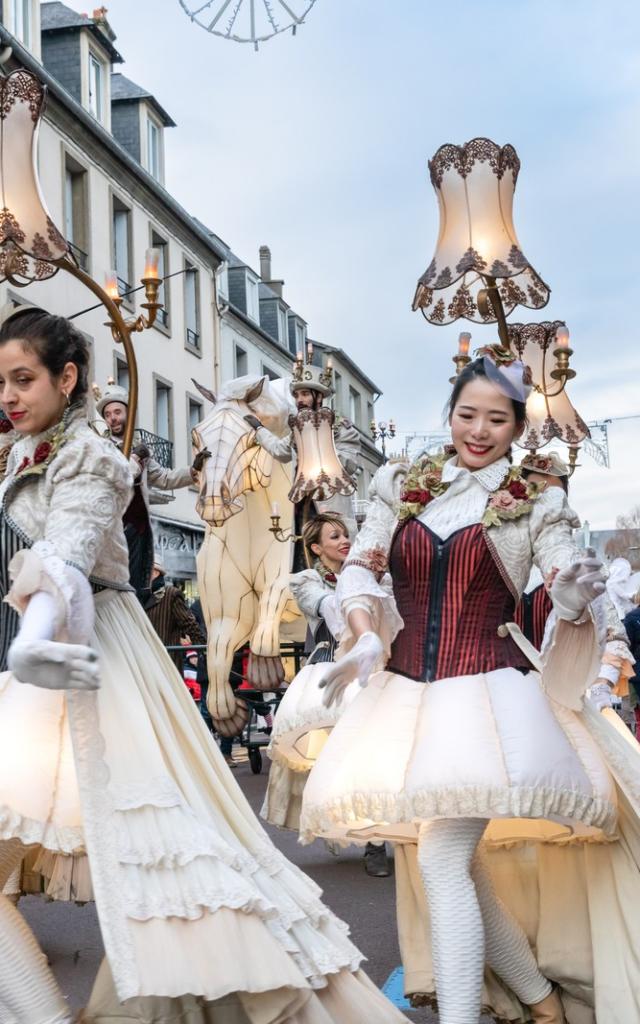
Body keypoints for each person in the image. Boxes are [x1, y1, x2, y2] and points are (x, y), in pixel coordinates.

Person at [0, 306, 410, 1024]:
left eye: (22, 378)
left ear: (68, 378)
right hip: (48, 661)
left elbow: (66, 555)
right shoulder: (23, 453)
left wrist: (34, 635)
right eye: (0, 381)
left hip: (101, 659)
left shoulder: (93, 456)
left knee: (176, 864)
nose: (7, 395)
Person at [298, 346, 640, 1024]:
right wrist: (365, 634)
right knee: (448, 859)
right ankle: (542, 1003)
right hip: (404, 694)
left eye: (496, 419)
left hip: (488, 697)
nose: (478, 431)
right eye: (466, 415)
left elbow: (564, 582)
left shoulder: (537, 502)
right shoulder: (402, 482)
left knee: (442, 860)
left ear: (516, 428)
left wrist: (570, 596)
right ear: (448, 414)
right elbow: (363, 568)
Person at [263, 512, 391, 877]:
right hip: (333, 671)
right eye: (334, 537)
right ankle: (354, 827)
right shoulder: (307, 580)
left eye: (346, 534)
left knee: (374, 753)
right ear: (317, 548)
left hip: (375, 669)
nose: (344, 540)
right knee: (338, 756)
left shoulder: (371, 573)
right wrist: (362, 588)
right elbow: (330, 609)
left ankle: (375, 840)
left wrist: (376, 577)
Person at [95, 380, 208, 601]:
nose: (113, 418)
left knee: (137, 589)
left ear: (128, 413)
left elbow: (163, 478)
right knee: (118, 588)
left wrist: (193, 469)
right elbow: (116, 480)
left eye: (117, 412)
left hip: (139, 528)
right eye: (108, 414)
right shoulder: (102, 448)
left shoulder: (138, 446)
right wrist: (136, 459)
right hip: (115, 526)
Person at [243, 359, 360, 565]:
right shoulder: (296, 428)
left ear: (319, 396)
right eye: (296, 395)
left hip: (330, 505)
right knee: (302, 559)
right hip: (302, 504)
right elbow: (281, 451)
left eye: (305, 394)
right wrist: (259, 430)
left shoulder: (340, 427)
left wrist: (318, 444)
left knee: (331, 564)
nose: (299, 400)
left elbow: (349, 465)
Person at [144, 561, 206, 671]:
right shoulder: (140, 597)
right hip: (145, 660)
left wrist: (204, 650)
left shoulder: (171, 594)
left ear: (155, 572)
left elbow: (189, 624)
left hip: (166, 662)